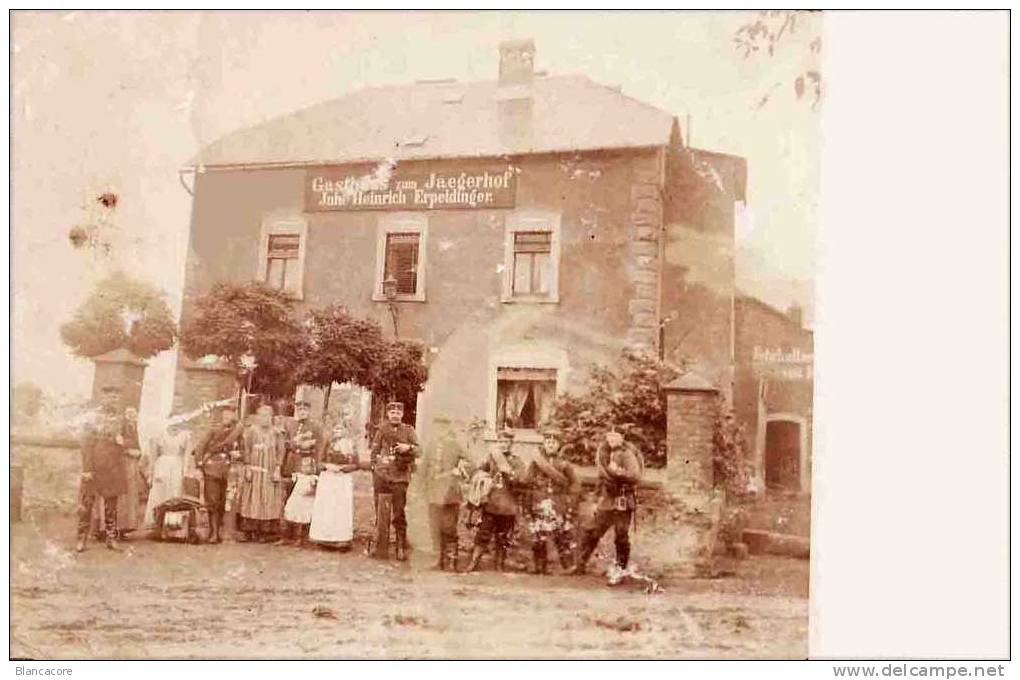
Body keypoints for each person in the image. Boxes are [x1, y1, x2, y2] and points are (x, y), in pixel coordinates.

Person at [569, 429, 643, 575]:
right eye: (610, 437)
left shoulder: (627, 454)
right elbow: (601, 478)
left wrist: (617, 472)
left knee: (621, 534)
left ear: (622, 438)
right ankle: (580, 565)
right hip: (607, 500)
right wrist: (596, 499)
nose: (612, 440)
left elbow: (635, 476)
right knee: (592, 530)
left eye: (615, 437)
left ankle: (620, 569)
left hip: (623, 500)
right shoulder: (603, 454)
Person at [464, 427, 528, 573]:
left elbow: (522, 480)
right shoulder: (492, 458)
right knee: (482, 534)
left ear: (511, 443)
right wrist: (479, 475)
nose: (503, 444)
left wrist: (510, 473)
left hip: (507, 505)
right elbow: (478, 470)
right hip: (491, 504)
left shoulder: (516, 461)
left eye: (506, 441)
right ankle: (473, 563)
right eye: (501, 441)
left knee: (503, 537)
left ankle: (499, 566)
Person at [76, 385, 129, 552]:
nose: (112, 400)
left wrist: (124, 441)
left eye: (115, 398)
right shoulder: (91, 418)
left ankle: (111, 538)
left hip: (113, 467)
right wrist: (87, 469)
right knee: (87, 504)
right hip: (94, 466)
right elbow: (85, 444)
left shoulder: (122, 420)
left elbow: (131, 440)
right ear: (102, 398)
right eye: (109, 397)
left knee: (111, 506)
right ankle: (81, 538)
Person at [524, 425, 580, 574]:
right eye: (548, 441)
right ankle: (540, 566)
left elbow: (574, 485)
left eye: (554, 442)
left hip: (558, 503)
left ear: (559, 445)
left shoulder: (564, 464)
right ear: (543, 444)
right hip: (539, 502)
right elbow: (527, 481)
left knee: (561, 534)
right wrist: (531, 499)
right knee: (539, 535)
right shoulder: (536, 463)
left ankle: (568, 566)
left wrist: (570, 504)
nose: (550, 444)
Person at [368, 401, 420, 561]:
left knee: (399, 512)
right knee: (380, 511)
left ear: (402, 415)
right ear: (388, 414)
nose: (395, 415)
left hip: (400, 476)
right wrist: (376, 468)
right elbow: (374, 451)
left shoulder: (409, 430)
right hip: (382, 476)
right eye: (392, 412)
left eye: (398, 412)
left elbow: (419, 450)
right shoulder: (382, 430)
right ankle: (380, 545)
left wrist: (408, 448)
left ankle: (400, 546)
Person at [422, 418, 473, 571]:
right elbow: (424, 468)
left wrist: (460, 469)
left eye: (443, 427)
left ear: (448, 428)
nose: (440, 430)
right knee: (434, 527)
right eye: (438, 427)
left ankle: (451, 560)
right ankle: (437, 560)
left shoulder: (456, 445)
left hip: (450, 493)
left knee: (449, 528)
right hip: (433, 493)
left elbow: (471, 463)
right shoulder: (430, 446)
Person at [278, 398, 327, 545]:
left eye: (305, 410)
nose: (302, 412)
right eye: (299, 410)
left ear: (309, 411)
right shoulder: (290, 425)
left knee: (305, 501)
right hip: (291, 466)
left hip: (306, 466)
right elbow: (285, 444)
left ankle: (303, 536)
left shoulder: (316, 427)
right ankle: (287, 535)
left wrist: (316, 468)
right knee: (289, 500)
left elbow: (320, 447)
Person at [193, 406, 244, 543]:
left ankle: (219, 532)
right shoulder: (213, 430)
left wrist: (238, 455)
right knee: (213, 501)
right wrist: (199, 464)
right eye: (225, 416)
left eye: (230, 416)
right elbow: (200, 447)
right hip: (212, 468)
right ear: (221, 417)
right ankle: (213, 533)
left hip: (227, 470)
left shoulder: (237, 432)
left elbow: (242, 450)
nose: (227, 419)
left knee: (221, 503)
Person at [237, 405, 286, 543]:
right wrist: (247, 467)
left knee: (268, 499)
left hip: (270, 472)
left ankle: (266, 532)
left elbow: (281, 452)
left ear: (271, 417)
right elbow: (246, 449)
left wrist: (277, 469)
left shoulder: (277, 433)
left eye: (267, 416)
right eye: (261, 416)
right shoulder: (251, 432)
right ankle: (250, 531)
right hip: (254, 470)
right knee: (252, 498)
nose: (264, 419)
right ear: (257, 417)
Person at [309, 420, 361, 549]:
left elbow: (356, 464)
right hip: (328, 478)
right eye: (336, 429)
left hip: (342, 479)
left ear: (345, 431)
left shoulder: (351, 444)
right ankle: (324, 537)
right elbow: (319, 461)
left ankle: (341, 538)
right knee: (327, 506)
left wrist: (343, 468)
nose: (338, 431)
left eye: (341, 429)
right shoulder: (327, 444)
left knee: (340, 507)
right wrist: (327, 466)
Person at [143, 418, 190, 529]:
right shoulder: (160, 435)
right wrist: (151, 473)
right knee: (160, 492)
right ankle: (157, 521)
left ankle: (172, 522)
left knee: (175, 491)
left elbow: (186, 455)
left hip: (177, 465)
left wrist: (185, 470)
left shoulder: (185, 436)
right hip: (162, 465)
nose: (175, 423)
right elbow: (154, 455)